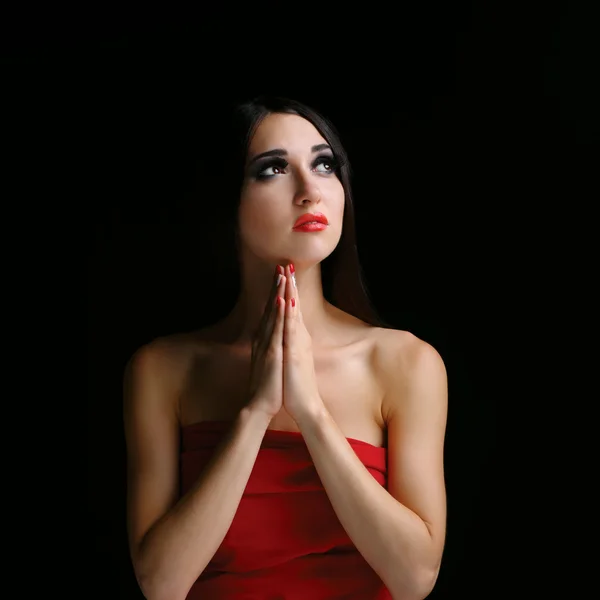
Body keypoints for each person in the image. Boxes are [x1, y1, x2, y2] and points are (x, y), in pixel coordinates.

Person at [123, 96, 448, 600]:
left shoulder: (405, 362)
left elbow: (415, 580)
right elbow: (160, 584)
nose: (310, 190)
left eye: (324, 164)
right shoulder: (163, 370)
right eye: (273, 168)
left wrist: (312, 414)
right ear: (225, 200)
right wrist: (254, 412)